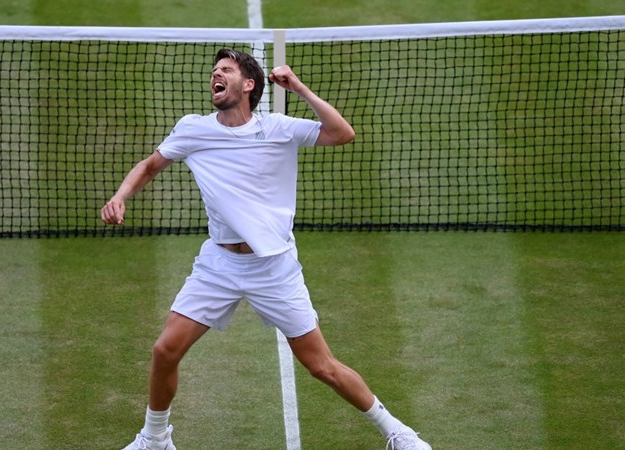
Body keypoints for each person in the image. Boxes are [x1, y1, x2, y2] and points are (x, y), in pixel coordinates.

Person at [101, 48, 431, 450]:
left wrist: (299, 88)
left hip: (274, 267)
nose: (215, 76)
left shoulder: (279, 127)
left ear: (249, 84)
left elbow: (342, 133)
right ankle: (154, 439)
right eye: (214, 71)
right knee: (165, 349)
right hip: (219, 263)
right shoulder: (193, 129)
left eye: (225, 70)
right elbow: (150, 165)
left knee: (320, 366)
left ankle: (398, 432)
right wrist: (121, 195)